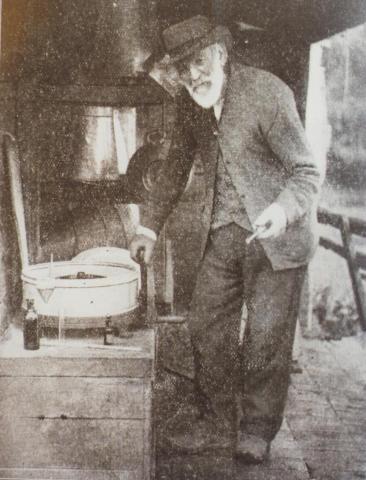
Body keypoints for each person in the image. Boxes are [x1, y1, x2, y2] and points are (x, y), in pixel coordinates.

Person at [129, 15, 320, 463]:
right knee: (205, 324)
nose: (192, 76)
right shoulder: (191, 103)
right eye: (182, 68)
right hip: (227, 232)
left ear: (220, 53)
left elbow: (307, 172)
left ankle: (256, 430)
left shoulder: (267, 93)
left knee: (264, 338)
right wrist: (148, 226)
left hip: (278, 236)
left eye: (198, 61)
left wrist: (281, 210)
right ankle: (217, 423)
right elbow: (176, 164)